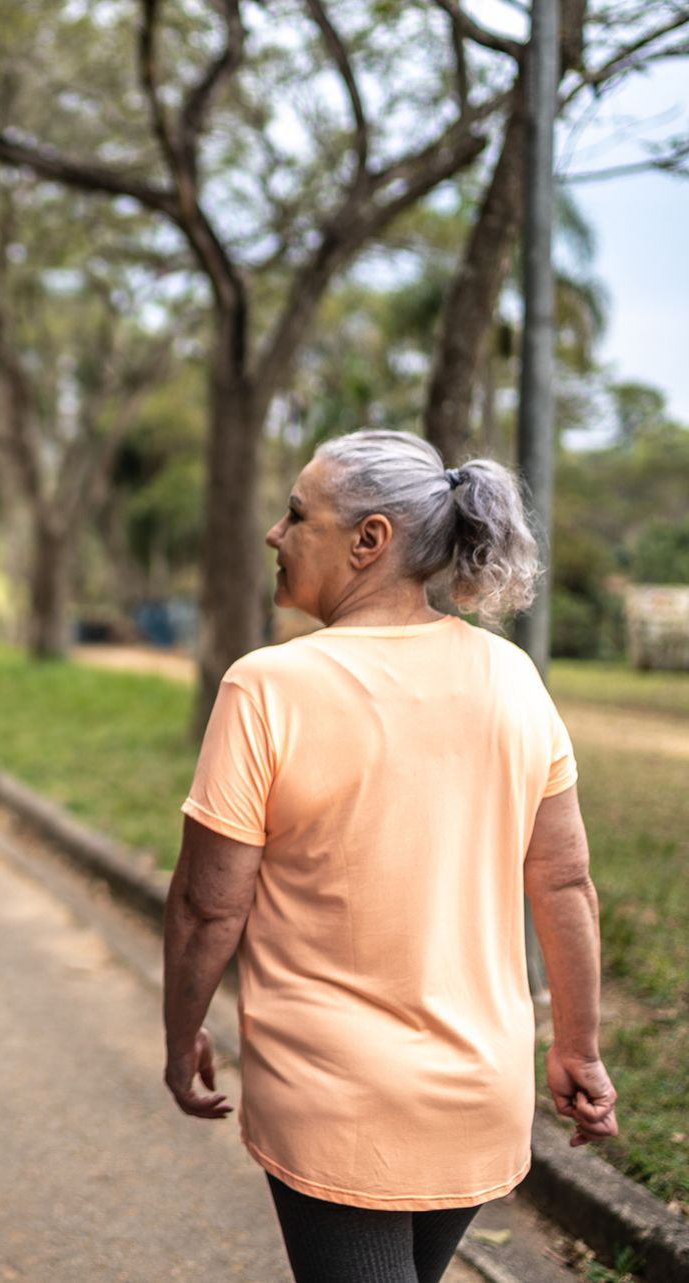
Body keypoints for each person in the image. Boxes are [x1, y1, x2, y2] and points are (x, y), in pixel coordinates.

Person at [162, 429, 619, 1283]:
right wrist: (578, 1048)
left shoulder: (267, 686)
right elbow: (564, 882)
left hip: (335, 1094)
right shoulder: (514, 677)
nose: (275, 533)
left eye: (297, 515)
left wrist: (180, 1031)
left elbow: (207, 904)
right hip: (480, 1089)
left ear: (369, 540)